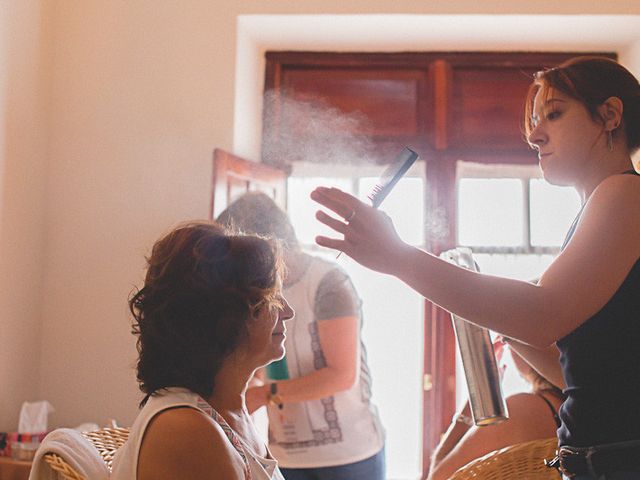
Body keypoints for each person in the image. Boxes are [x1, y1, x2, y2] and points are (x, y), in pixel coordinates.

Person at [311, 56, 640, 479]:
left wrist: (395, 255)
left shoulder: (623, 195)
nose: (535, 136)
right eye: (534, 122)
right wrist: (503, 321)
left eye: (554, 115)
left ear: (611, 114)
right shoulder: (603, 206)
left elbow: (543, 314)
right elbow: (585, 373)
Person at [217, 192, 385, 480]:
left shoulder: (328, 283)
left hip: (349, 455)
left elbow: (342, 375)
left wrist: (264, 393)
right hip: (285, 453)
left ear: (265, 242)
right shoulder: (251, 290)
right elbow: (259, 362)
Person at [110, 221, 294, 480]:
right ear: (226, 318)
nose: (288, 312)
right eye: (271, 300)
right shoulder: (186, 429)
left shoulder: (229, 411)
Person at [428, 340, 565, 480]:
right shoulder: (574, 410)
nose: (509, 350)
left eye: (508, 340)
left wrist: (475, 397)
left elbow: (437, 477)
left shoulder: (521, 410)